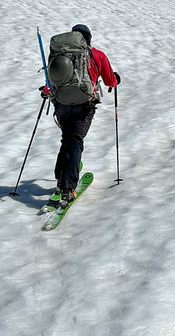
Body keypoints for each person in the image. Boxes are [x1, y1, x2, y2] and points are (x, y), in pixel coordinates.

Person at [41, 23, 120, 205]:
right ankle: (67, 188)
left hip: (61, 104)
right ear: (88, 39)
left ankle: (61, 176)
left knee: (68, 138)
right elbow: (110, 81)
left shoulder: (61, 55)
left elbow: (53, 78)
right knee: (74, 140)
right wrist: (117, 79)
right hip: (84, 104)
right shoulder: (97, 55)